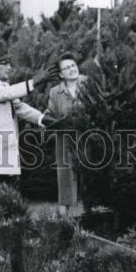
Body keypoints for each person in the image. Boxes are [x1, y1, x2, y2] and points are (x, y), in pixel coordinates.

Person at [0, 46, 58, 184]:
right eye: (5, 63)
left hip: (4, 145)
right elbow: (5, 95)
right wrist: (35, 81)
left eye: (9, 63)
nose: (9, 67)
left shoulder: (3, 85)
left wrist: (43, 119)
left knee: (6, 191)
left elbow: (19, 107)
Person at [46, 53, 88, 216]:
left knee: (91, 172)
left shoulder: (89, 83)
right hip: (65, 136)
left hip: (88, 135)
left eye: (73, 65)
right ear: (61, 74)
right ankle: (63, 214)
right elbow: (51, 113)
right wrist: (48, 116)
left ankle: (91, 211)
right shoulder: (55, 92)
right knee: (65, 172)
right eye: (66, 68)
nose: (71, 69)